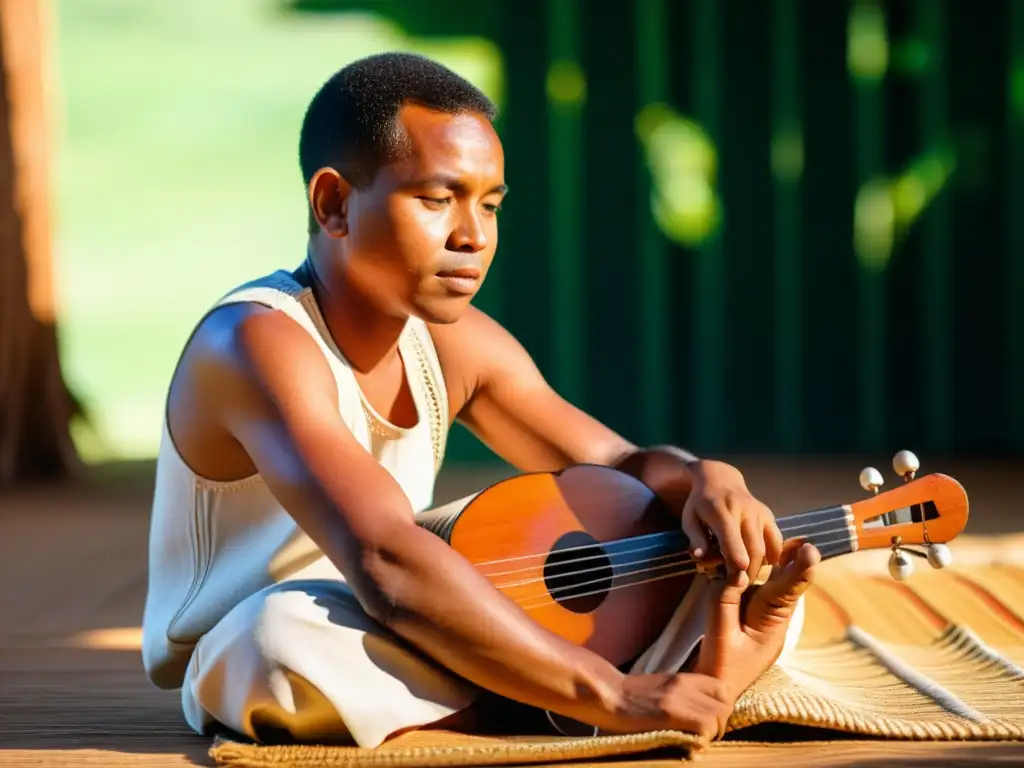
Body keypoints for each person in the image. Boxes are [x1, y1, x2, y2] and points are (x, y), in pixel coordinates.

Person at [141, 51, 819, 749]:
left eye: (489, 204)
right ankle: (609, 699)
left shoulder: (453, 341)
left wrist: (708, 479)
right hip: (313, 635)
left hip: (428, 625)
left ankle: (590, 694)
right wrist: (610, 689)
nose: (473, 236)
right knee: (274, 644)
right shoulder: (255, 340)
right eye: (438, 200)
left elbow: (623, 464)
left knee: (721, 557)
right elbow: (383, 558)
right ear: (334, 203)